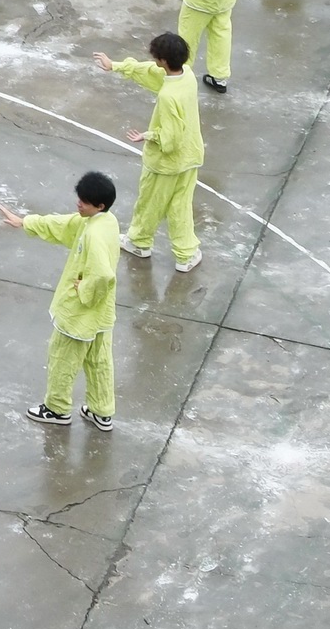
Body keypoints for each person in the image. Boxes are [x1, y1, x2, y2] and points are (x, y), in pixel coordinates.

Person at [16, 170, 124, 428]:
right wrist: (27, 222)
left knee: (62, 359)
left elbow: (103, 275)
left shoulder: (93, 234)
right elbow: (65, 224)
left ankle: (57, 409)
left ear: (99, 205)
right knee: (99, 361)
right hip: (101, 314)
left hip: (79, 314)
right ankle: (101, 411)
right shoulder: (106, 222)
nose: (79, 204)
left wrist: (84, 289)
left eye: (84, 202)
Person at [106, 34, 204, 269]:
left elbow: (170, 138)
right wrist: (117, 66)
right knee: (180, 207)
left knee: (150, 202)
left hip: (165, 164)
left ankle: (139, 242)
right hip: (190, 157)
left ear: (163, 61)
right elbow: (152, 72)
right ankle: (186, 255)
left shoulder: (168, 97)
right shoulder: (188, 76)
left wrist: (148, 136)